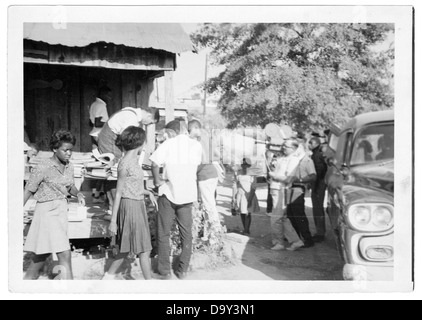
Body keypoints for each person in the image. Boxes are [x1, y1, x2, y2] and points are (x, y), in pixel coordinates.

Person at [23, 130, 86, 280]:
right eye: (65, 150)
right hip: (46, 212)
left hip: (61, 211)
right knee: (64, 253)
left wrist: (78, 194)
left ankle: (26, 283)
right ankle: (71, 292)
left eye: (71, 150)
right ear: (54, 149)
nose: (69, 153)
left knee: (41, 255)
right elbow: (29, 190)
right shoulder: (43, 166)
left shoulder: (69, 166)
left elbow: (70, 186)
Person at [103, 126, 158, 280]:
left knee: (125, 248)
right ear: (138, 144)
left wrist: (147, 192)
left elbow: (132, 185)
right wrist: (113, 221)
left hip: (137, 204)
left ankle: (108, 278)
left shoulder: (132, 160)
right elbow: (119, 192)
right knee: (144, 249)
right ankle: (150, 286)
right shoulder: (126, 163)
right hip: (130, 206)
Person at [150, 119, 202, 280]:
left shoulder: (169, 144)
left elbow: (153, 163)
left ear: (172, 132)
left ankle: (164, 271)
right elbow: (197, 166)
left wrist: (158, 180)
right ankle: (183, 270)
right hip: (187, 194)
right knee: (186, 234)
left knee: (163, 232)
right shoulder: (197, 146)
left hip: (168, 193)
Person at [97, 106, 159, 212]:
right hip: (109, 139)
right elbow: (129, 141)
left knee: (121, 170)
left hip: (115, 138)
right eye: (150, 122)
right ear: (149, 115)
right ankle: (112, 207)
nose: (148, 125)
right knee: (115, 173)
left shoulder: (134, 114)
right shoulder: (132, 118)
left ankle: (113, 204)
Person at [268, 141, 304, 251]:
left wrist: (274, 175)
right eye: (283, 145)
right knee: (282, 218)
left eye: (286, 146)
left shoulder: (293, 160)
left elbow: (288, 178)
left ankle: (279, 242)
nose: (283, 148)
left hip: (281, 189)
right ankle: (296, 241)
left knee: (276, 218)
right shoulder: (283, 158)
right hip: (276, 188)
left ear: (293, 148)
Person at [284, 139, 316, 249]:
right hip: (291, 188)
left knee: (299, 215)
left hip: (298, 189)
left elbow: (313, 176)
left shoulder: (307, 161)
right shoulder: (295, 160)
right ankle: (297, 238)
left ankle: (308, 239)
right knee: (291, 214)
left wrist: (300, 180)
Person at [189, 120, 221, 224]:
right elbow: (216, 155)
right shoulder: (207, 138)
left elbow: (202, 160)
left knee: (209, 205)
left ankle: (214, 232)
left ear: (196, 128)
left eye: (190, 130)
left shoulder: (200, 140)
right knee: (209, 203)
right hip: (211, 173)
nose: (189, 133)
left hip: (205, 175)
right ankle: (210, 231)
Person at [89, 86, 112, 203]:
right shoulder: (101, 105)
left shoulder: (94, 104)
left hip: (94, 134)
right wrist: (109, 123)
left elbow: (92, 121)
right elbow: (98, 122)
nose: (109, 97)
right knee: (104, 164)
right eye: (108, 95)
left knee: (98, 165)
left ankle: (96, 193)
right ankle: (97, 196)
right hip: (99, 135)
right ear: (102, 94)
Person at [232, 158, 259, 235]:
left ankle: (247, 230)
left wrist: (250, 199)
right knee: (242, 212)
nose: (244, 166)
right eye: (243, 164)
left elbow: (254, 187)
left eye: (246, 165)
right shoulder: (238, 173)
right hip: (240, 194)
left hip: (249, 194)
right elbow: (234, 185)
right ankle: (245, 228)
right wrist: (233, 197)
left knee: (247, 213)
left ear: (249, 165)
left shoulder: (252, 174)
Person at [309, 137, 328, 243]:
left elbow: (319, 171)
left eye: (310, 143)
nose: (309, 145)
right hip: (319, 184)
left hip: (318, 184)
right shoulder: (317, 153)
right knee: (317, 208)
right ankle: (320, 232)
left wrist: (315, 186)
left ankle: (320, 233)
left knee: (317, 209)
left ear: (315, 143)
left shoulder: (316, 154)